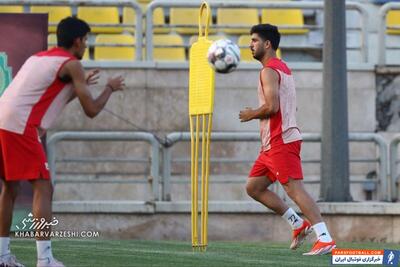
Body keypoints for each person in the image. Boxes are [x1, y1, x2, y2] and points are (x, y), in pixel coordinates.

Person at [0, 17, 125, 267]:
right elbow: (91, 110)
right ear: (77, 41)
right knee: (44, 188)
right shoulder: (72, 64)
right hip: (21, 125)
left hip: (3, 121)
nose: (86, 45)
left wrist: (76, 87)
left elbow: (45, 97)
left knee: (10, 189)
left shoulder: (39, 58)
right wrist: (109, 88)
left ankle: (2, 256)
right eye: (86, 40)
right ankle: (45, 259)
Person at [239, 23, 336, 256]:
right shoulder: (283, 68)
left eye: (254, 40)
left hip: (281, 141)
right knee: (254, 187)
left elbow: (272, 107)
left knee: (294, 189)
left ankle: (324, 237)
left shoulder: (269, 70)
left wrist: (251, 113)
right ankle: (297, 223)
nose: (250, 45)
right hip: (272, 144)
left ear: (267, 44)